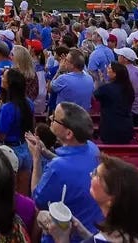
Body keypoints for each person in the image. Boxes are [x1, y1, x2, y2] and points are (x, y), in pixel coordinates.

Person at [25, 102, 103, 243]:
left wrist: (36, 159)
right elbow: (72, 164)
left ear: (68, 133)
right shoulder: (93, 148)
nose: (50, 118)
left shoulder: (57, 167)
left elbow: (37, 198)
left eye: (55, 119)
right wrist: (46, 152)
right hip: (91, 231)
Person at [42, 156, 138, 243]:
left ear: (112, 200)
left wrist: (61, 238)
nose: (91, 175)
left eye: (96, 175)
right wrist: (84, 232)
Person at [93, 63, 134, 144]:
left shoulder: (106, 89)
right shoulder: (129, 89)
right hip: (127, 129)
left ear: (115, 73)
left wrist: (100, 82)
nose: (107, 70)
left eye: (109, 68)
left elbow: (94, 97)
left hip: (109, 130)